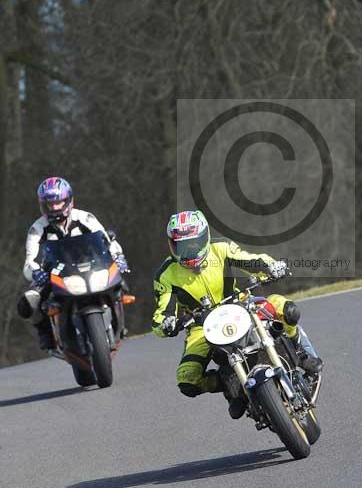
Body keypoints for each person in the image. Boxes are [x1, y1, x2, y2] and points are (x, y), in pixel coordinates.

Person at [152, 209, 322, 418]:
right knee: (188, 380)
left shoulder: (221, 248)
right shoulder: (166, 274)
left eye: (194, 243)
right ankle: (230, 385)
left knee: (286, 309)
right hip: (201, 326)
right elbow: (161, 313)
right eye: (182, 246)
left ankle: (302, 354)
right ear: (172, 245)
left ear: (205, 237)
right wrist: (166, 323)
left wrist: (271, 267)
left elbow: (250, 260)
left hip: (239, 305)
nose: (189, 250)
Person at [18, 177, 129, 350]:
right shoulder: (37, 229)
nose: (55, 208)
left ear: (69, 200)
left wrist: (118, 256)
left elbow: (107, 240)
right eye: (50, 204)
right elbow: (29, 262)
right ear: (43, 205)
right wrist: (35, 272)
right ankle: (45, 332)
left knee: (121, 282)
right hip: (55, 272)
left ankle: (119, 319)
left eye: (59, 202)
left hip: (91, 266)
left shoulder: (85, 218)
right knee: (27, 303)